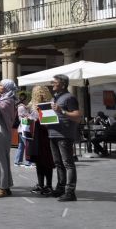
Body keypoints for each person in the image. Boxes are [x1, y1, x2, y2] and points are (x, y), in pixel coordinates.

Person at [48, 74, 80, 202]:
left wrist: (62, 111)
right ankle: (60, 188)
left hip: (64, 135)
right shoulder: (55, 97)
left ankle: (70, 192)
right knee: (58, 163)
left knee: (68, 163)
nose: (52, 84)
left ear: (62, 84)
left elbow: (77, 116)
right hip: (53, 133)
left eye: (54, 82)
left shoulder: (70, 97)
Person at [27, 86, 55, 196]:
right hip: (37, 135)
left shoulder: (49, 104)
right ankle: (41, 184)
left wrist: (39, 116)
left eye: (41, 92)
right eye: (38, 93)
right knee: (39, 161)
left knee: (46, 161)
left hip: (45, 135)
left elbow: (49, 122)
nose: (40, 95)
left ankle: (48, 185)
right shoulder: (32, 104)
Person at [15, 92, 32, 167]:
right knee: (27, 145)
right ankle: (29, 162)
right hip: (24, 129)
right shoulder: (22, 107)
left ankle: (17, 161)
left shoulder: (21, 106)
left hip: (21, 128)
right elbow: (23, 118)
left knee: (21, 145)